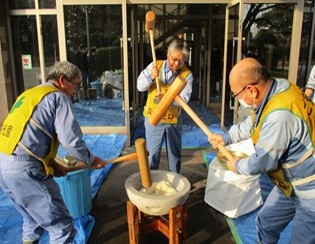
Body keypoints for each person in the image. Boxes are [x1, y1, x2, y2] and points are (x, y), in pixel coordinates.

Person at [208, 58, 315, 243]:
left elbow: (264, 160)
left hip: (309, 189)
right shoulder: (279, 88)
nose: (239, 100)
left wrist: (237, 165)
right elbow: (254, 122)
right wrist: (226, 137)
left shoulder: (279, 116)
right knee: (266, 222)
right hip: (289, 183)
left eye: (237, 95)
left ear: (251, 89)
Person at [0, 61, 107, 243]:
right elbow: (71, 140)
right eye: (75, 84)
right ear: (62, 80)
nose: (76, 90)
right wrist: (91, 159)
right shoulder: (58, 97)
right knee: (62, 227)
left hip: (4, 165)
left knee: (32, 218)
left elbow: (26, 138)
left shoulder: (29, 94)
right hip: (25, 170)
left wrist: (53, 164)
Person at [137, 38, 193, 173]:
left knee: (174, 156)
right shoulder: (155, 66)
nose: (176, 63)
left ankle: (175, 184)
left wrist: (168, 100)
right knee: (152, 155)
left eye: (181, 60)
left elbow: (184, 99)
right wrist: (150, 77)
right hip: (153, 119)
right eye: (174, 59)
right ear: (168, 53)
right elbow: (140, 86)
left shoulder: (187, 75)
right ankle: (151, 186)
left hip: (173, 120)